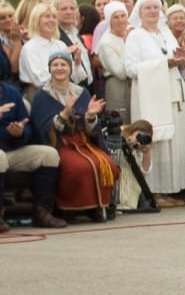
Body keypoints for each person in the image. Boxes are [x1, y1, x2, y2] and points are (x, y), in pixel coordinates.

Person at [29, 50, 118, 221]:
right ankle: (70, 208)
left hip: (83, 142)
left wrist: (90, 116)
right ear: (50, 69)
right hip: (59, 144)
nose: (59, 68)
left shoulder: (81, 92)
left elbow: (91, 129)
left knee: (106, 164)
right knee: (76, 167)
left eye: (63, 65)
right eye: (55, 65)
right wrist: (63, 115)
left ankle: (98, 207)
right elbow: (42, 129)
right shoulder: (42, 96)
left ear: (70, 68)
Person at [124, 0, 185, 206]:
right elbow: (130, 68)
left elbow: (183, 69)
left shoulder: (166, 34)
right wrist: (164, 64)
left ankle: (169, 189)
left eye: (156, 7)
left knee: (174, 142)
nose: (153, 11)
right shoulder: (135, 36)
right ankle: (154, 190)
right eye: (148, 8)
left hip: (173, 92)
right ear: (140, 12)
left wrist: (181, 61)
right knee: (156, 141)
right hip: (150, 95)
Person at [0, 79, 68, 230]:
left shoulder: (11, 92)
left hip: (11, 148)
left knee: (48, 154)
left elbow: (27, 125)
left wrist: (20, 132)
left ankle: (42, 213)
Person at [96, 2, 132, 124]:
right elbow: (121, 72)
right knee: (121, 123)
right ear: (109, 20)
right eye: (115, 17)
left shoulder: (132, 33)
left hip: (134, 85)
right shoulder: (106, 42)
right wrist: (127, 44)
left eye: (123, 15)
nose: (120, 20)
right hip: (117, 87)